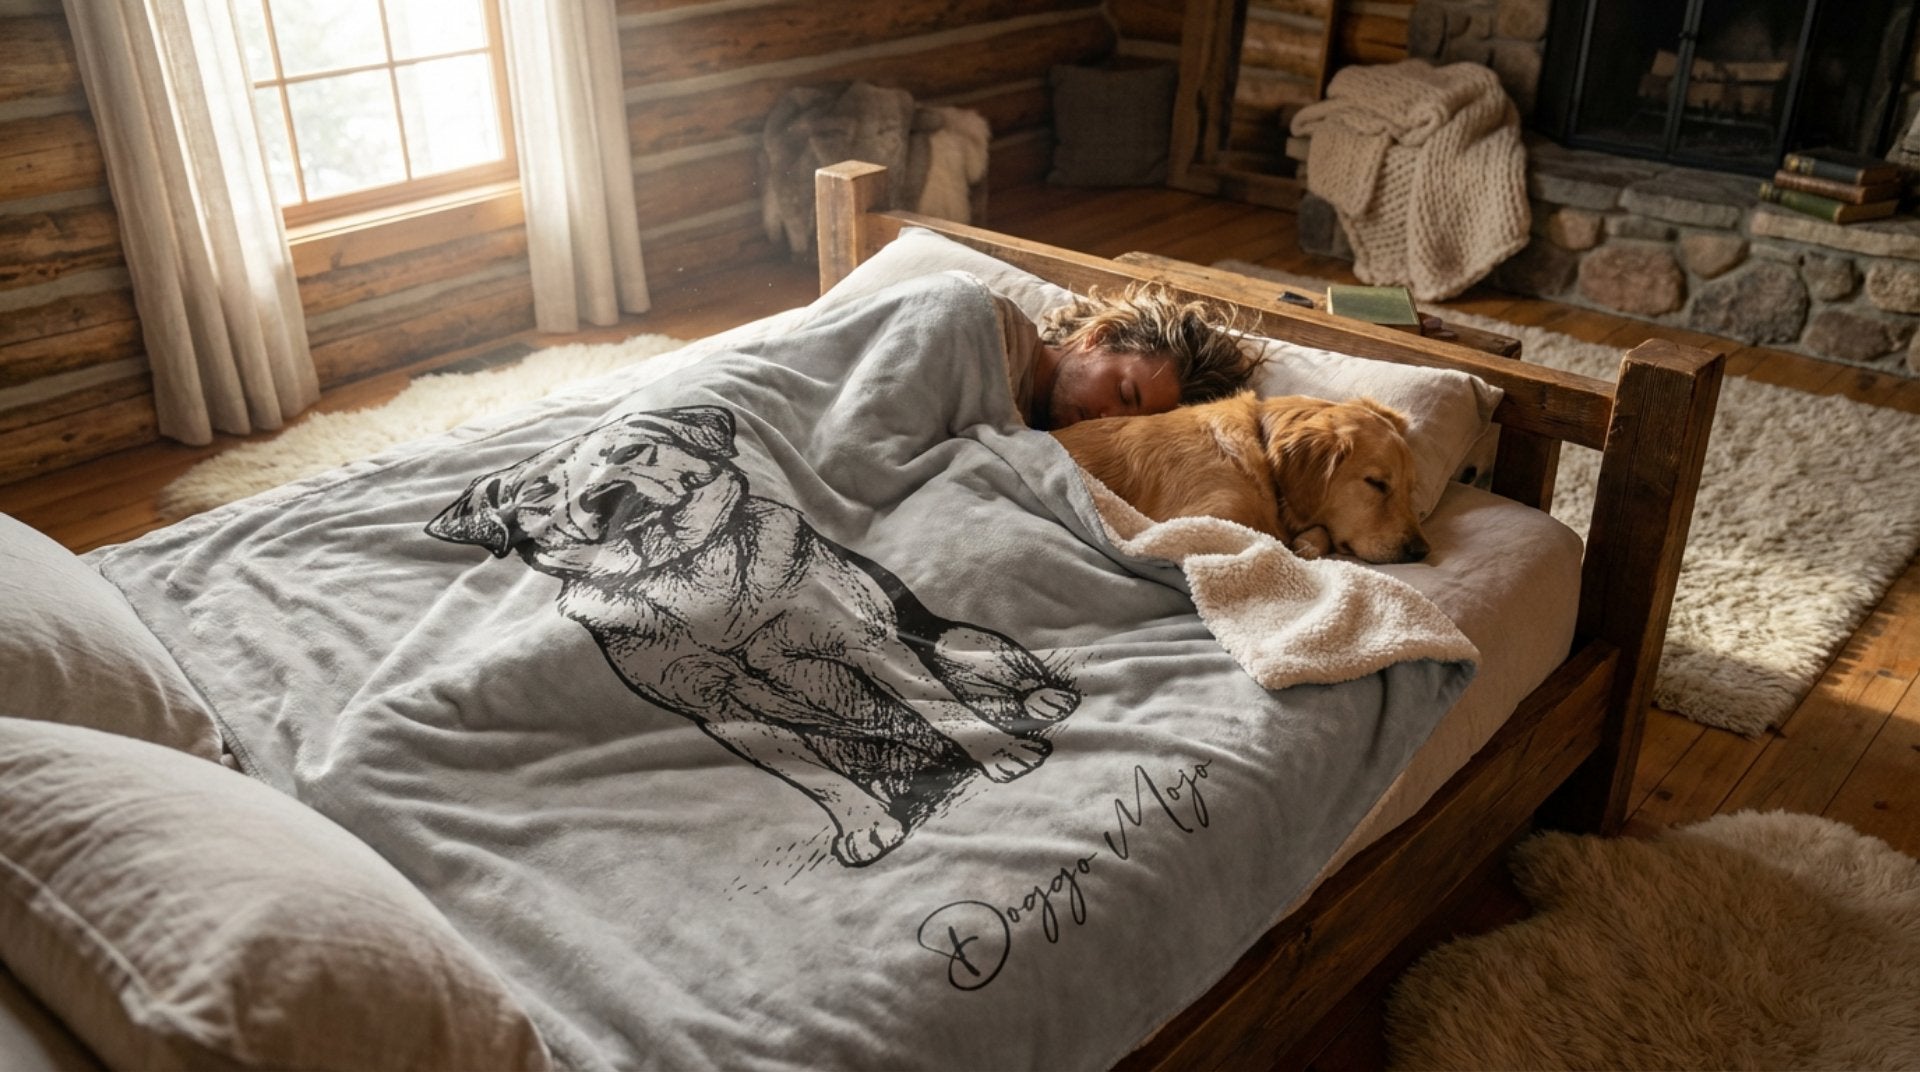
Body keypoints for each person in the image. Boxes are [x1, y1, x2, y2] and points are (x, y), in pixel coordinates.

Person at [993, 282, 1263, 431]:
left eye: (1127, 425)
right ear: (1100, 336)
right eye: (1123, 393)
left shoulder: (1030, 441)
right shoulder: (991, 327)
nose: (1106, 421)